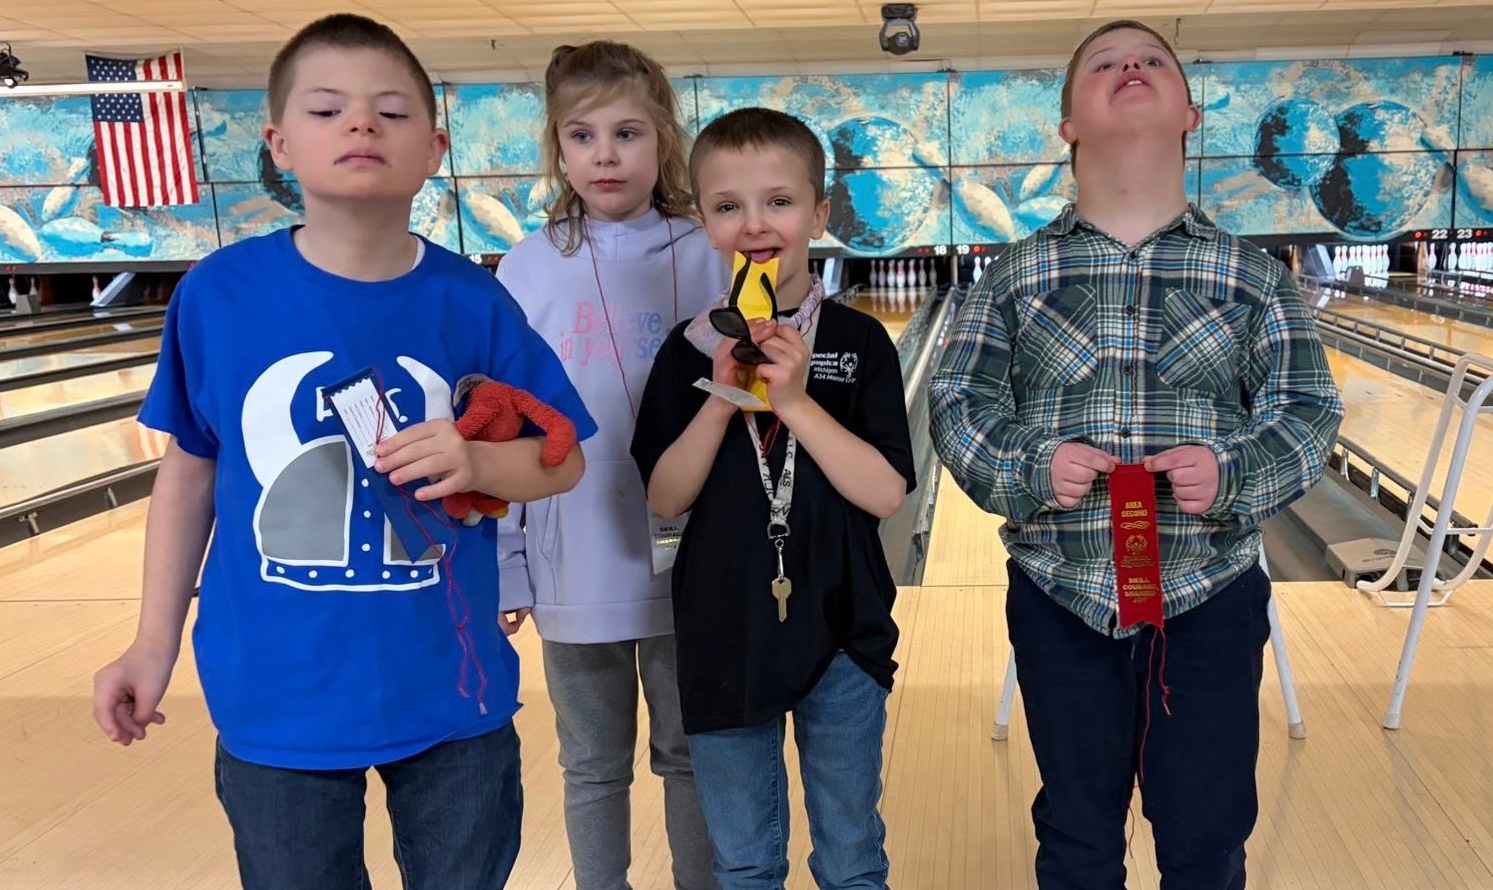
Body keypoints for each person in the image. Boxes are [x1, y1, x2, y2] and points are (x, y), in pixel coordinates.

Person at [88, 13, 596, 889]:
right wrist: (149, 642)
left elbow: (564, 459)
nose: (360, 125)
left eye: (391, 112)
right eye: (328, 111)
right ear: (279, 144)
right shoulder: (218, 296)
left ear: (434, 146)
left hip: (453, 687)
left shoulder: (473, 299)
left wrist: (478, 465)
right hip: (274, 688)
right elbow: (190, 472)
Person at [928, 20, 1344, 890]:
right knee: (1076, 835)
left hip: (1208, 595)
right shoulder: (1011, 275)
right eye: (1105, 64)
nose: (1130, 67)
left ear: (1189, 113)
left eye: (1152, 59)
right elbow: (959, 410)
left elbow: (1306, 415)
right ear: (1068, 124)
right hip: (1060, 594)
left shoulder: (1254, 277)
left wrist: (1232, 473)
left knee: (1206, 833)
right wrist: (1030, 465)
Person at [629, 107, 913, 890]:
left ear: (819, 215)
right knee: (747, 862)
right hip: (723, 630)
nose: (755, 224)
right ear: (704, 222)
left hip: (844, 629)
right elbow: (666, 494)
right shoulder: (686, 349)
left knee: (853, 858)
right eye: (728, 206)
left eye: (779, 202)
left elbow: (887, 494)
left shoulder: (858, 343)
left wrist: (792, 401)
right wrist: (722, 397)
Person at [493, 40, 727, 890]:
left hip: (692, 556)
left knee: (690, 753)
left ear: (664, 138)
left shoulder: (711, 253)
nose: (605, 154)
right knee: (592, 763)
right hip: (571, 556)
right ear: (556, 149)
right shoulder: (526, 267)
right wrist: (507, 566)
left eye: (627, 132)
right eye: (581, 135)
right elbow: (506, 427)